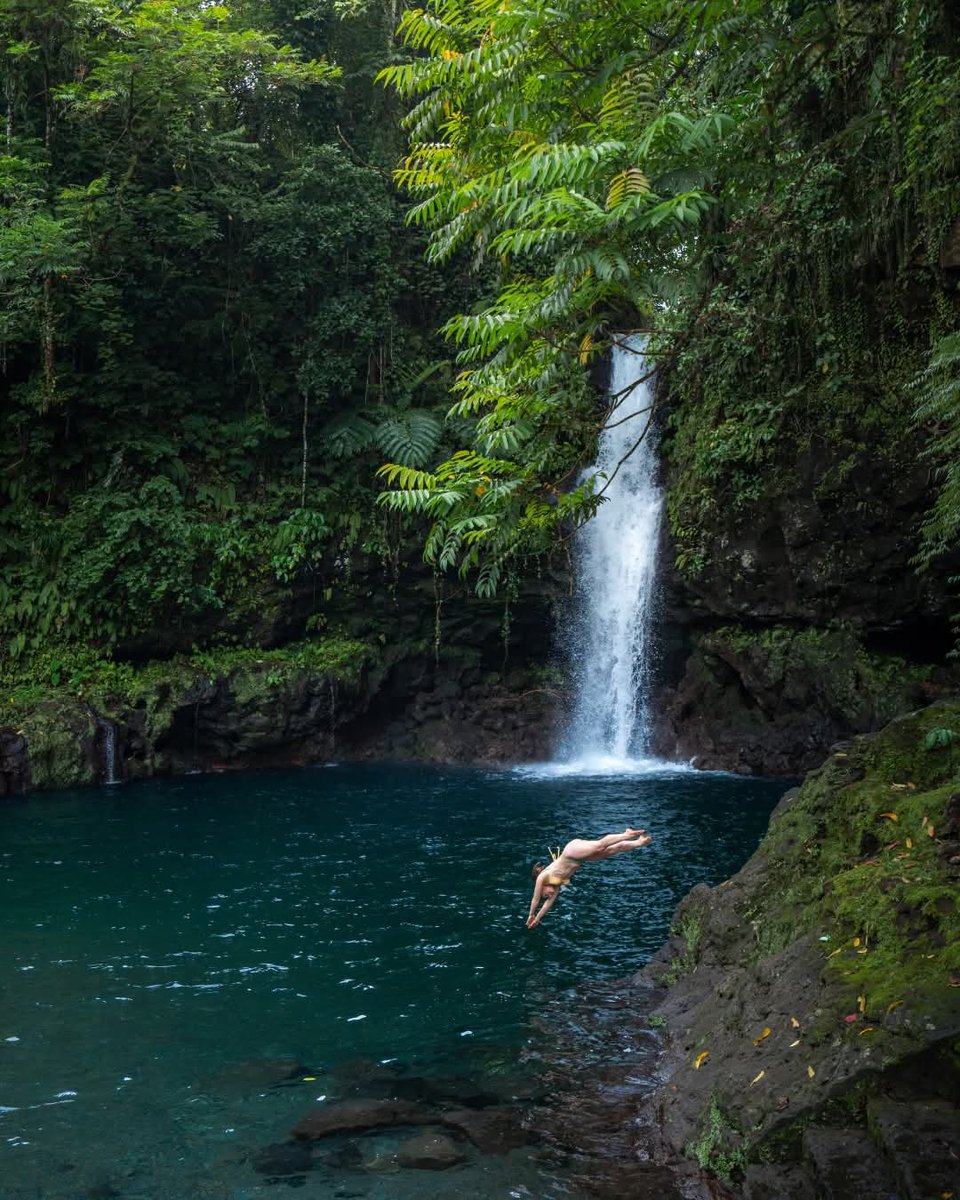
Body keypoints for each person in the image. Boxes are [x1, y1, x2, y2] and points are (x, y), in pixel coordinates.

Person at [525, 828, 652, 928]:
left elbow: (535, 899)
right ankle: (639, 842)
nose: (549, 895)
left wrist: (531, 914)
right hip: (580, 858)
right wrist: (537, 919)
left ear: (542, 887)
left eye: (545, 894)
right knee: (612, 850)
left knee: (600, 845)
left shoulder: (543, 877)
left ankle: (626, 834)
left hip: (572, 852)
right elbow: (548, 904)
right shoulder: (557, 883)